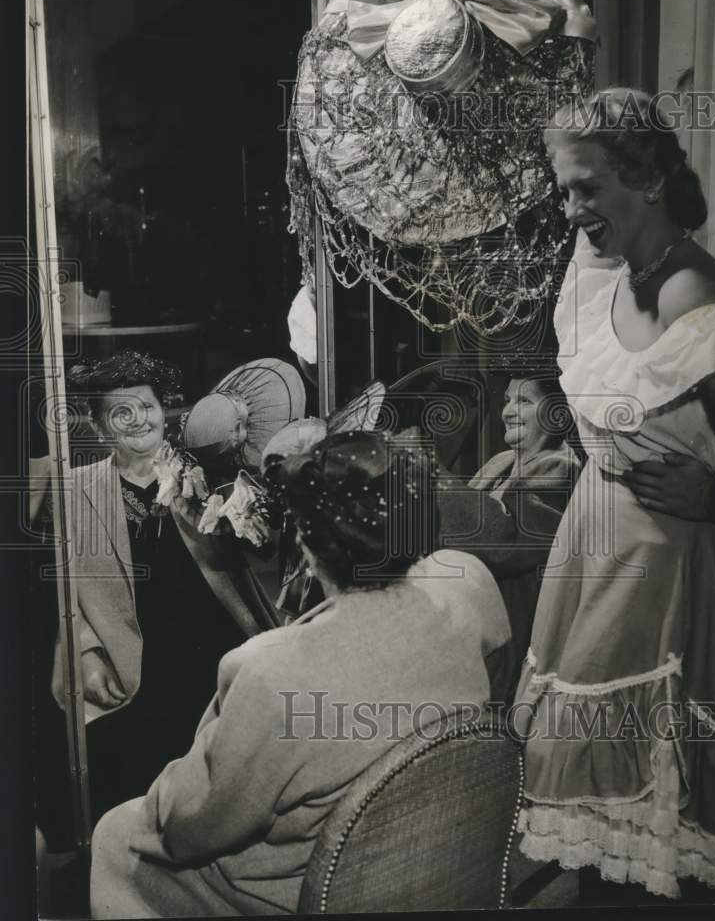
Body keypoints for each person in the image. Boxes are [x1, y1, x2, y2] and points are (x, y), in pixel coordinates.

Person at [512, 88, 715, 902]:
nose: (572, 210)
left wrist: (712, 496)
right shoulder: (602, 273)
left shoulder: (690, 288)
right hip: (594, 545)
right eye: (563, 190)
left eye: (586, 187)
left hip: (657, 567)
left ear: (649, 179)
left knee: (631, 799)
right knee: (588, 805)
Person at [89, 431, 510, 918]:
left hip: (305, 885)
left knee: (115, 832)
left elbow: (191, 826)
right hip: (438, 853)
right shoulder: (472, 587)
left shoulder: (271, 670)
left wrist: (163, 797)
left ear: (308, 547)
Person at [52, 350, 262, 824]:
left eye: (145, 406)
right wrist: (84, 651)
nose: (138, 419)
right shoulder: (72, 489)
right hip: (136, 661)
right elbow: (61, 593)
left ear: (162, 412)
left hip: (214, 647)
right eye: (120, 412)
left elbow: (251, 559)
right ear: (102, 427)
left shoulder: (207, 472)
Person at [436, 363, 582, 702]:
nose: (508, 411)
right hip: (474, 624)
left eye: (524, 402)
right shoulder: (500, 462)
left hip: (517, 633)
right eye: (507, 400)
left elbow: (503, 542)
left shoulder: (560, 466)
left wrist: (431, 479)